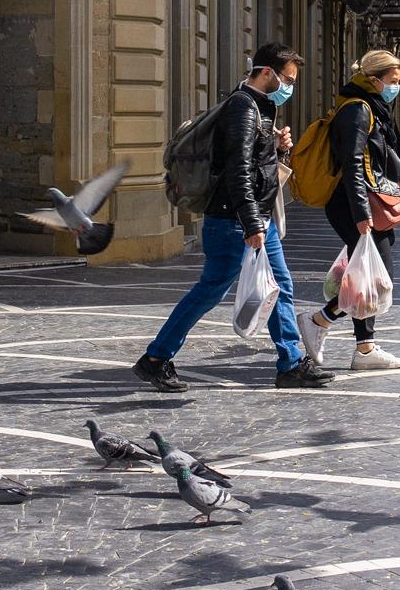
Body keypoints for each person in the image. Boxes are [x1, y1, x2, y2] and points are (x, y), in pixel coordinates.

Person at [133, 44, 331, 393]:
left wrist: (277, 148)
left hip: (253, 218)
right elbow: (237, 171)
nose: (290, 88)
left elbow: (252, 163)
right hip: (235, 221)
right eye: (287, 79)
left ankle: (290, 363)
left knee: (280, 286)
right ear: (266, 72)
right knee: (211, 290)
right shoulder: (242, 108)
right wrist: (252, 223)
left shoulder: (258, 108)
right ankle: (155, 358)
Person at [300, 50, 400, 372]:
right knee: (379, 275)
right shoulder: (358, 110)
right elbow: (353, 164)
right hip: (352, 203)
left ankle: (364, 349)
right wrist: (363, 215)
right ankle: (319, 320)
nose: (395, 87)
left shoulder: (370, 106)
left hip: (359, 200)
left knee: (367, 274)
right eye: (393, 81)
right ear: (374, 80)